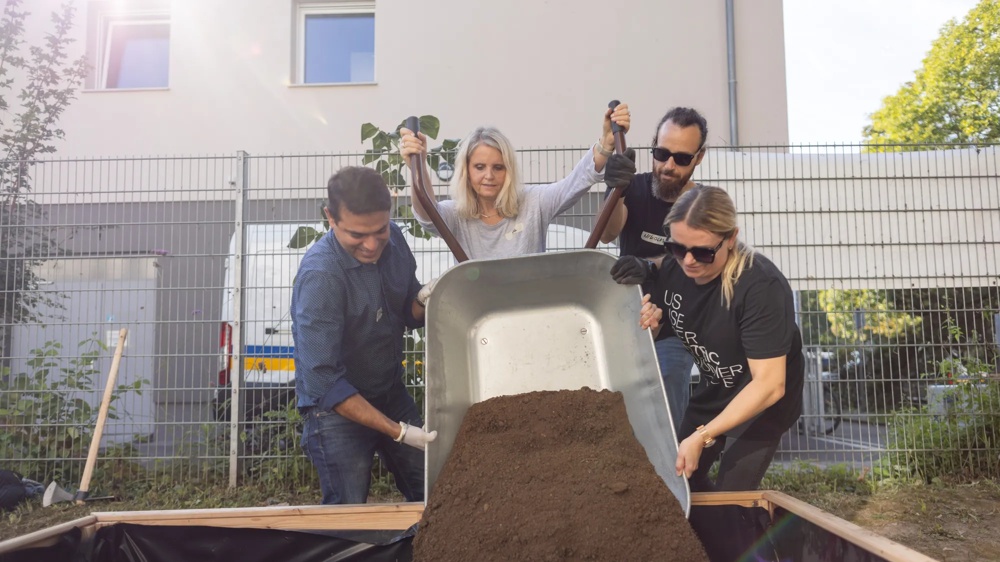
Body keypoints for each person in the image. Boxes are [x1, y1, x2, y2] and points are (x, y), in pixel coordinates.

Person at [609, 185, 803, 561]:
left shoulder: (760, 288)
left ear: (731, 238)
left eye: (701, 251)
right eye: (677, 247)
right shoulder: (679, 266)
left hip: (762, 404)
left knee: (729, 499)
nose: (688, 261)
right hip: (719, 386)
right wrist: (655, 321)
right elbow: (673, 305)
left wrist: (704, 435)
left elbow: (769, 385)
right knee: (677, 474)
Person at [291, 166, 437, 505]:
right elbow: (324, 381)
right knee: (348, 512)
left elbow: (408, 314)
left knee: (433, 491)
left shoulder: (395, 239)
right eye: (357, 235)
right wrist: (397, 431)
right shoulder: (321, 276)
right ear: (330, 217)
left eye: (380, 230)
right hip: (334, 411)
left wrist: (425, 297)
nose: (372, 245)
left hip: (388, 392)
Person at [598, 107, 710, 436]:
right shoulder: (634, 187)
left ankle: (674, 466)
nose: (669, 166)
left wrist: (649, 266)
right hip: (631, 319)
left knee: (666, 376)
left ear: (699, 158)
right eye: (661, 154)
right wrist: (615, 190)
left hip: (678, 328)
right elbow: (606, 233)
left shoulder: (703, 205)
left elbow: (701, 261)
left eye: (681, 159)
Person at [398, 104, 632, 259]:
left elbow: (573, 183)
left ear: (508, 170)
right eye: (479, 167)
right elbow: (428, 214)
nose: (489, 176)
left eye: (498, 167)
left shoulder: (532, 203)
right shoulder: (456, 215)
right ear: (466, 172)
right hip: (481, 318)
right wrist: (416, 166)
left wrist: (606, 144)